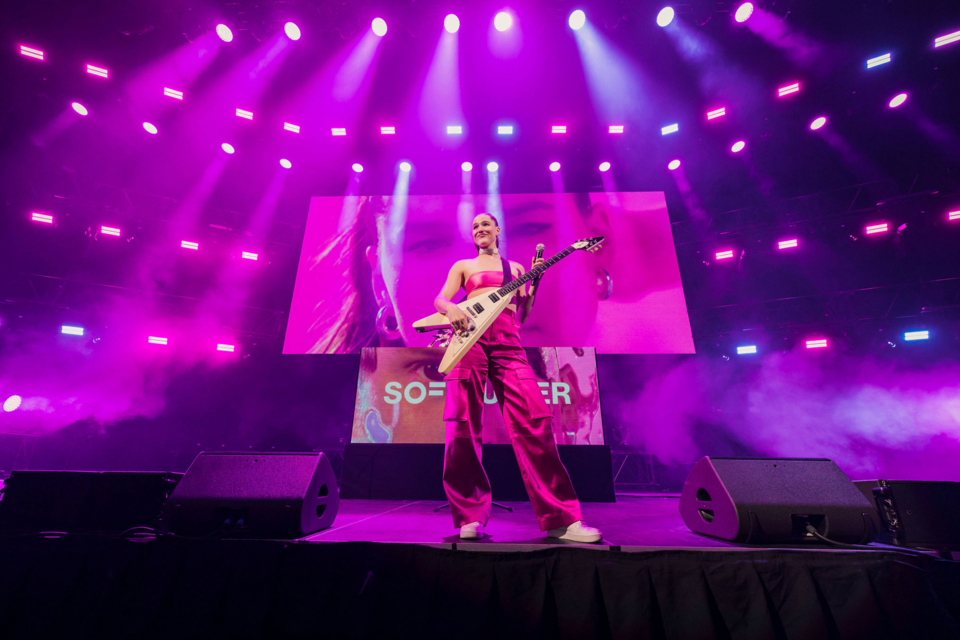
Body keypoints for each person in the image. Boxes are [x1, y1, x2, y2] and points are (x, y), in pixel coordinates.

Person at [432, 212, 602, 543]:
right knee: (462, 425)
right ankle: (469, 515)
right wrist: (450, 309)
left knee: (535, 423)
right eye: (475, 226)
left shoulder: (517, 270)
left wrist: (533, 285)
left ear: (497, 230)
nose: (480, 229)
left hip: (510, 342)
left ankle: (561, 518)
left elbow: (523, 313)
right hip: (470, 341)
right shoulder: (463, 266)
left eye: (486, 224)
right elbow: (440, 299)